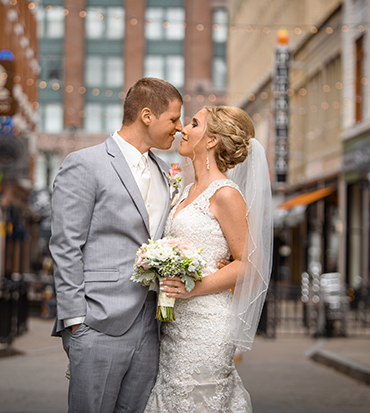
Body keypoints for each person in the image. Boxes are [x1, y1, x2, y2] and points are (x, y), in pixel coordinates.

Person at [50, 77, 183, 413]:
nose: (179, 128)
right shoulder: (85, 163)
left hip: (151, 324)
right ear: (147, 116)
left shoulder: (166, 172)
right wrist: (75, 319)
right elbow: (66, 245)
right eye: (174, 119)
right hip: (98, 320)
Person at [144, 106, 272, 413]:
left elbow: (250, 264)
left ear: (212, 140)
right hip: (175, 324)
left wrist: (194, 288)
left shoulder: (226, 194)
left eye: (193, 123)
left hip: (207, 325)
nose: (183, 129)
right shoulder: (186, 191)